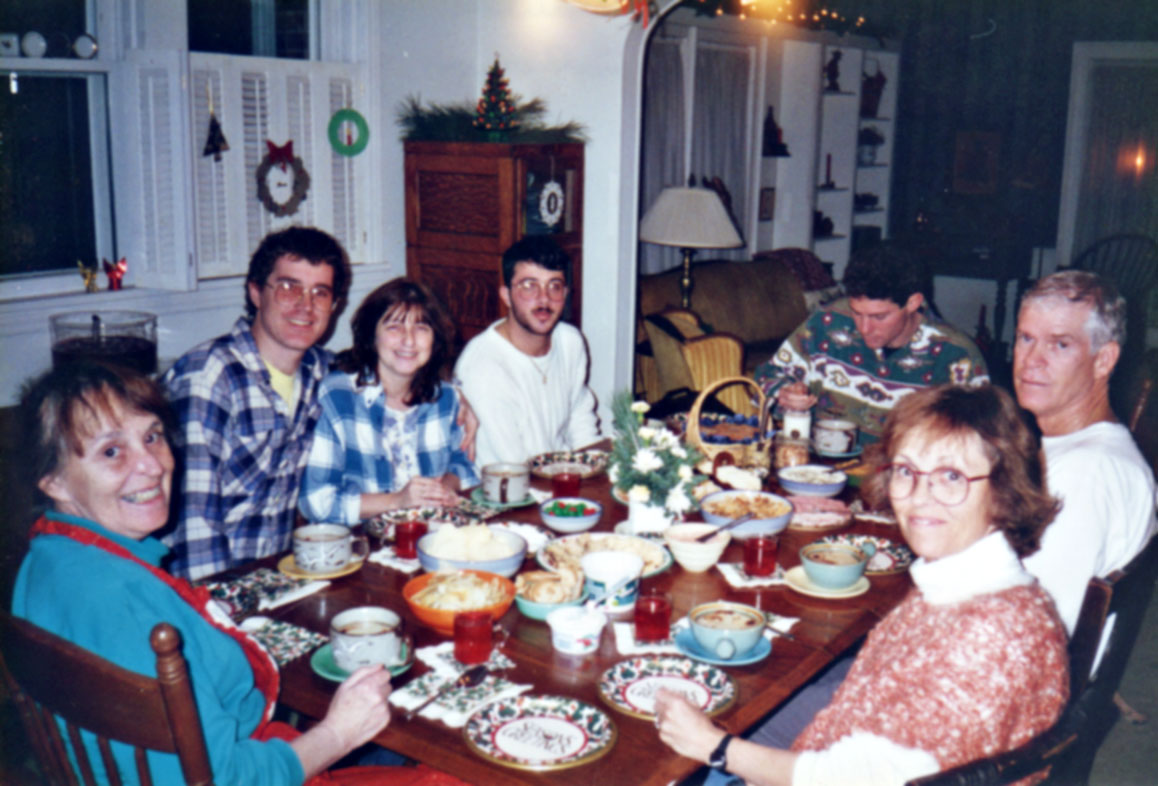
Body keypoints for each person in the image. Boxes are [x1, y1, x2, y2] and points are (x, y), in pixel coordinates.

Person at [11, 362, 463, 786]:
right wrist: (340, 732)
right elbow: (226, 778)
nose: (152, 464)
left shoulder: (48, 559)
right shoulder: (124, 604)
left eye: (152, 437)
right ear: (53, 481)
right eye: (112, 452)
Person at [655, 384, 1068, 785]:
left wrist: (714, 747)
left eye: (951, 476)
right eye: (906, 471)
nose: (920, 496)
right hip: (837, 742)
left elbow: (858, 779)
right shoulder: (967, 586)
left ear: (1004, 491)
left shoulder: (989, 636)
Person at [161, 227, 352, 579]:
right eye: (288, 287)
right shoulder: (209, 376)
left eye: (320, 293)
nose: (305, 306)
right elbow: (194, 527)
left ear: (334, 306)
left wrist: (451, 393)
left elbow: (386, 377)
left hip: (274, 579)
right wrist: (218, 604)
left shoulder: (321, 374)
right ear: (255, 293)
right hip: (206, 589)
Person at [1014, 270, 1157, 636]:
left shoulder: (1085, 475)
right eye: (1026, 338)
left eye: (1060, 345)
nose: (1031, 360)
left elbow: (1034, 630)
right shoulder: (1080, 448)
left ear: (1104, 360)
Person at [754, 243, 988, 443]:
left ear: (913, 302)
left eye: (879, 317)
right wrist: (784, 393)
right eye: (856, 312)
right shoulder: (827, 322)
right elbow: (766, 378)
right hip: (820, 467)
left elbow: (978, 439)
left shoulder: (954, 355)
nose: (864, 328)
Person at [300, 278, 478, 524]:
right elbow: (315, 502)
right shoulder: (338, 397)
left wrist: (445, 486)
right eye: (394, 327)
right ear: (371, 335)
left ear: (435, 339)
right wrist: (397, 501)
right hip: (359, 541)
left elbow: (464, 465)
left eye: (421, 328)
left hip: (432, 535)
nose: (409, 340)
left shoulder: (445, 397)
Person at [454, 236, 601, 466]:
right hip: (509, 483)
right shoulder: (483, 365)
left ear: (565, 294)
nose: (544, 299)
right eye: (529, 286)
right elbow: (513, 466)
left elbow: (581, 422)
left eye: (554, 286)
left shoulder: (569, 341)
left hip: (561, 473)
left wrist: (594, 469)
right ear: (506, 295)